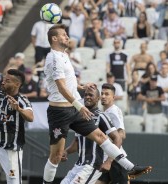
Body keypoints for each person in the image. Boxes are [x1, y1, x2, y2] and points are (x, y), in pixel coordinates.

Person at [42, 24, 151, 184]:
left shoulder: (64, 54)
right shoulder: (54, 58)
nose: (67, 37)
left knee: (100, 136)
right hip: (59, 113)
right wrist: (80, 106)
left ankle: (129, 166)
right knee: (56, 156)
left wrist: (80, 86)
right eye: (64, 35)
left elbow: (67, 81)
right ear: (54, 38)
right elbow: (60, 86)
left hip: (73, 109)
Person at [60, 87, 122, 184]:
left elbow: (117, 138)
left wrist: (109, 161)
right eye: (85, 95)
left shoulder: (101, 116)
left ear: (98, 98)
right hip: (79, 164)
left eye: (91, 95)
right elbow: (77, 142)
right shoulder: (80, 117)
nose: (87, 97)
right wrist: (66, 151)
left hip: (92, 165)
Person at [97, 83, 130, 184]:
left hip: (115, 160)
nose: (103, 96)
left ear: (113, 97)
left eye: (107, 94)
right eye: (102, 93)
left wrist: (110, 159)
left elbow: (122, 134)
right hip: (107, 157)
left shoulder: (113, 112)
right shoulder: (105, 112)